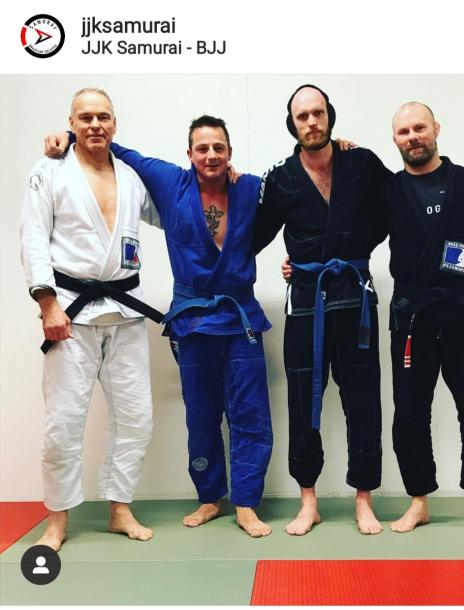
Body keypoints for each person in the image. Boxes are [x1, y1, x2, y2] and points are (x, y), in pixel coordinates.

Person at [45, 115, 274, 538]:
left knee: (250, 414)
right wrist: (69, 134)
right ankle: (210, 497)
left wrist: (342, 149)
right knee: (201, 415)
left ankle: (246, 503)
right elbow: (120, 149)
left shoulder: (249, 188)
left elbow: (298, 187)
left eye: (219, 148)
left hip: (240, 316)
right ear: (189, 154)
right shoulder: (170, 182)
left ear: (230, 153)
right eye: (202, 148)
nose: (211, 155)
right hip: (193, 320)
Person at [21, 88, 164, 551]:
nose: (95, 125)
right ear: (71, 123)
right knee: (63, 422)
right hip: (71, 311)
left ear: (115, 123)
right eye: (85, 118)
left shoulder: (132, 177)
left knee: (136, 417)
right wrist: (47, 303)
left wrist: (223, 183)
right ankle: (57, 519)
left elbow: (174, 214)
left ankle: (119, 509)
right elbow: (34, 237)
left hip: (125, 310)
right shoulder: (49, 170)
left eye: (103, 116)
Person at [254, 84, 392, 535]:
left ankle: (363, 499)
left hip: (356, 300)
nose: (312, 122)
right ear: (292, 124)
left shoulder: (362, 163)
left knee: (363, 401)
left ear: (329, 115)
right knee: (302, 401)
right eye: (302, 116)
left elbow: (396, 208)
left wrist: (356, 250)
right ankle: (308, 501)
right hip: (306, 303)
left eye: (318, 113)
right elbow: (251, 235)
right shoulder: (281, 179)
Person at [387, 101, 464, 537]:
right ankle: (419, 501)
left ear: (436, 128)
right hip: (412, 320)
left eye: (419, 127)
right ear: (395, 140)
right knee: (410, 414)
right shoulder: (389, 190)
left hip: (463, 315)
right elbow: (351, 234)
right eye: (403, 132)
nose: (412, 137)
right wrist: (300, 264)